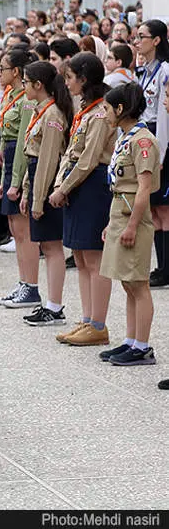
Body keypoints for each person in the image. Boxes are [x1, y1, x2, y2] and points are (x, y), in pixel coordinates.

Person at [49, 53, 116, 347]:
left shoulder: (101, 113)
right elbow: (70, 152)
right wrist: (60, 183)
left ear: (84, 79)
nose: (66, 83)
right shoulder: (85, 109)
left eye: (70, 77)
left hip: (92, 185)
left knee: (94, 257)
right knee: (78, 253)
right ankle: (88, 319)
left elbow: (89, 160)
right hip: (77, 183)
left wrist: (64, 188)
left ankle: (99, 323)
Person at [98, 83, 160, 366]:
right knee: (127, 281)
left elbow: (144, 188)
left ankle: (143, 346)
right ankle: (131, 340)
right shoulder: (125, 137)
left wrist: (133, 226)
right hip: (119, 213)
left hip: (133, 215)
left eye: (108, 108)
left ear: (121, 109)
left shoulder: (143, 141)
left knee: (138, 283)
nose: (105, 112)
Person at [19, 61, 74, 326]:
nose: (23, 86)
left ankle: (54, 305)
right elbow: (33, 159)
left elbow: (49, 160)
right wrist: (27, 192)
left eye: (26, 82)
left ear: (38, 85)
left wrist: (38, 198)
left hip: (48, 181)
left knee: (52, 247)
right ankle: (50, 303)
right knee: (46, 245)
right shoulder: (41, 110)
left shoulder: (52, 114)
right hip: (37, 177)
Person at [0, 49, 41, 309]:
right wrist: (4, 178)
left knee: (24, 231)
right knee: (14, 227)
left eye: (3, 68)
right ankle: (23, 282)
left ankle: (31, 286)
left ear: (16, 72)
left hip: (19, 159)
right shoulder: (11, 94)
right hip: (9, 157)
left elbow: (24, 139)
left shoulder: (26, 99)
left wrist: (16, 180)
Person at [132, 20, 169, 288]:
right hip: (144, 133)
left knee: (165, 210)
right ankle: (160, 266)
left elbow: (164, 115)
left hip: (160, 137)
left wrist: (163, 154)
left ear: (156, 40)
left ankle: (167, 268)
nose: (138, 41)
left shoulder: (165, 71)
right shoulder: (143, 70)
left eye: (142, 36)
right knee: (154, 210)